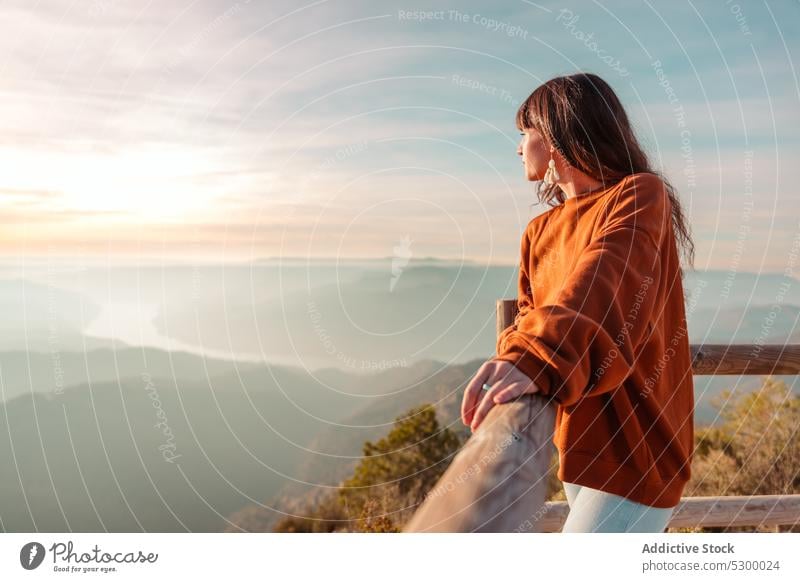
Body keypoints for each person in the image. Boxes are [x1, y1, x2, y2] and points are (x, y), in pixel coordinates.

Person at [460, 72, 696, 533]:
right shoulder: (538, 232)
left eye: (524, 133)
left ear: (556, 135)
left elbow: (603, 281)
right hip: (578, 438)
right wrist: (519, 351)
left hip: (638, 445)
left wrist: (532, 357)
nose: (518, 147)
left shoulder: (639, 195)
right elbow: (530, 313)